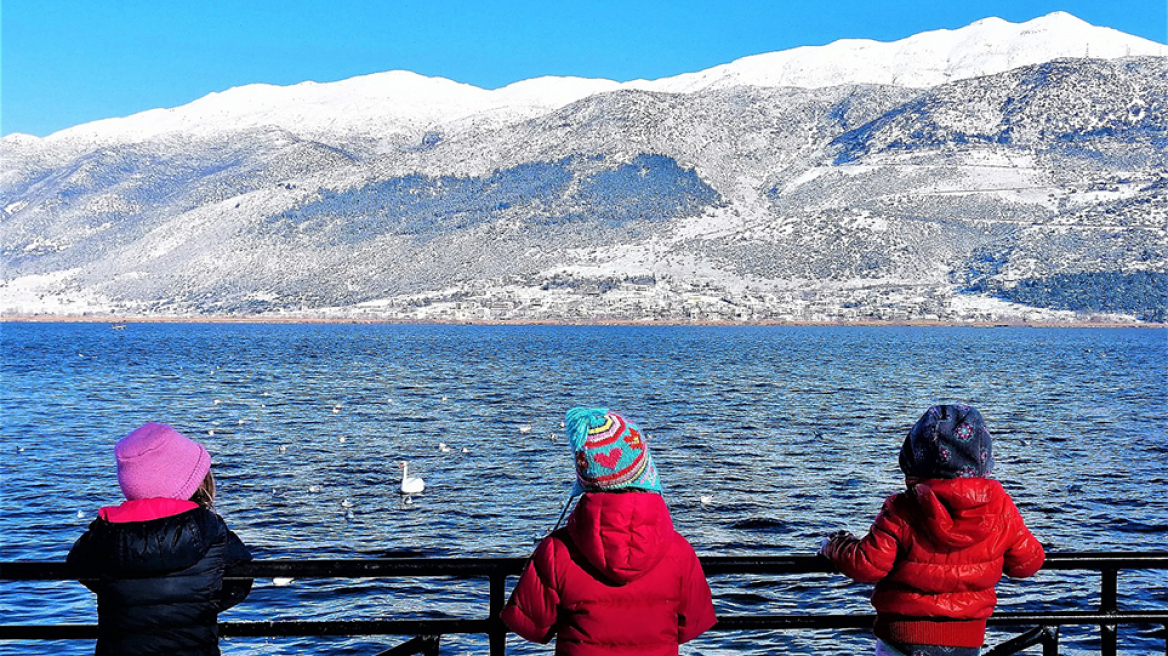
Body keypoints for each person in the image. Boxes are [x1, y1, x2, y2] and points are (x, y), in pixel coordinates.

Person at [820, 404, 1045, 656]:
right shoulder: (1000, 508)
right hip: (966, 641)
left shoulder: (903, 508)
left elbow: (866, 564)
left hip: (902, 638)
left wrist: (835, 545)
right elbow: (1028, 564)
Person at [501, 406, 716, 655]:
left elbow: (532, 626)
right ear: (644, 469)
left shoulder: (556, 551)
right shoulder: (679, 551)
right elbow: (691, 625)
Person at [68, 423, 253, 656]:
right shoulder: (210, 530)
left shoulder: (104, 533)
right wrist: (198, 606)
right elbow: (242, 576)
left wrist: (126, 598)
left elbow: (78, 564)